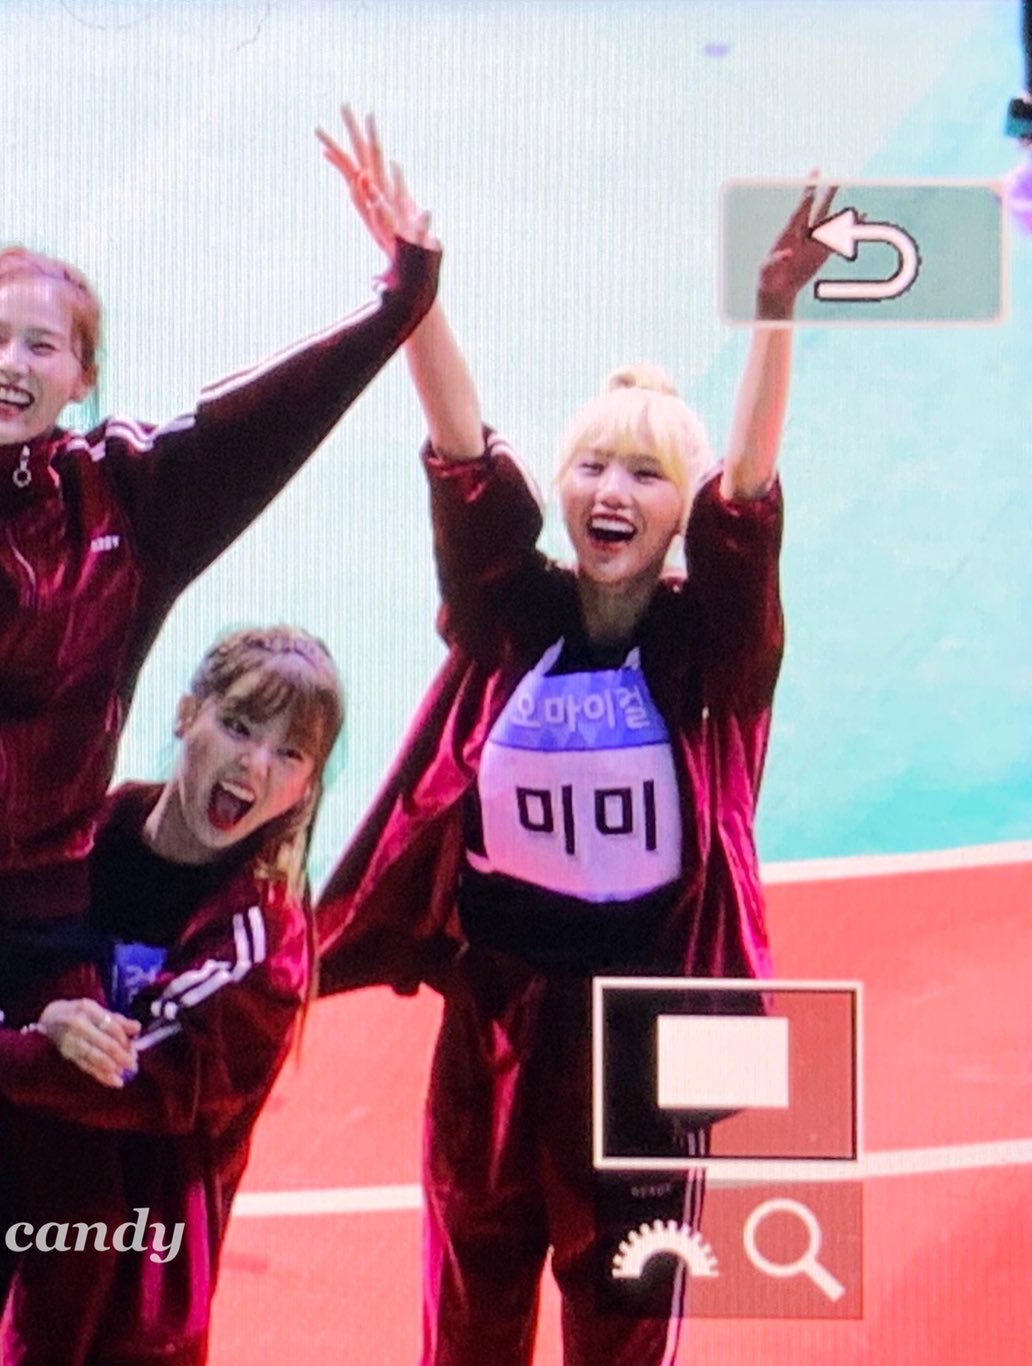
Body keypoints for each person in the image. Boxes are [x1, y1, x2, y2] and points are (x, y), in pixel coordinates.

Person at [0, 31, 440, 1022]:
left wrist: (396, 306)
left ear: (82, 379)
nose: (12, 364)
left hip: (26, 935)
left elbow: (264, 423)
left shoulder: (127, 503)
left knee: (52, 1110)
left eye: (43, 347)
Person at [308, 110, 834, 1366]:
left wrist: (772, 316)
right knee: (468, 1315)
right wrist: (413, 292)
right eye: (591, 466)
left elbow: (747, 505)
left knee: (625, 1325)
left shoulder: (708, 652)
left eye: (645, 476)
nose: (611, 490)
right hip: (492, 1013)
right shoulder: (513, 616)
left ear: (678, 511)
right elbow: (460, 456)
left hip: (643, 1028)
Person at [0, 626, 343, 1366]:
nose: (254, 765)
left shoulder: (264, 940)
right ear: (186, 714)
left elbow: (146, 1080)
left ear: (306, 787)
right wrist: (32, 1023)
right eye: (239, 726)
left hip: (128, 1301)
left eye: (290, 754)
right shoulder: (77, 839)